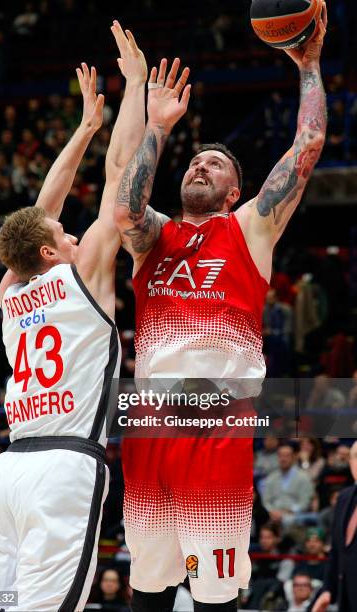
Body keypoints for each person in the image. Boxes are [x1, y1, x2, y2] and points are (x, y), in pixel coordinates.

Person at [114, 6, 327, 611]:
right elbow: (126, 211)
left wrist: (308, 66)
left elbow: (308, 143)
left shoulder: (249, 228)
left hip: (216, 425)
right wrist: (157, 129)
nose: (199, 164)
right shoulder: (153, 235)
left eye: (215, 163)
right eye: (194, 161)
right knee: (149, 587)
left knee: (213, 594)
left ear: (235, 190)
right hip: (152, 423)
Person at [0, 22, 147, 612]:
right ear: (51, 253)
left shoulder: (11, 289)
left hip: (7, 472)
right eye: (65, 236)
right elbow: (119, 182)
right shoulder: (82, 274)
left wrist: (84, 127)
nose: (73, 233)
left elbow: (37, 213)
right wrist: (136, 87)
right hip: (63, 467)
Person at [312, 440, 357, 612]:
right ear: (351, 463)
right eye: (356, 458)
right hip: (345, 594)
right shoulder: (344, 497)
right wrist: (328, 589)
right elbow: (338, 550)